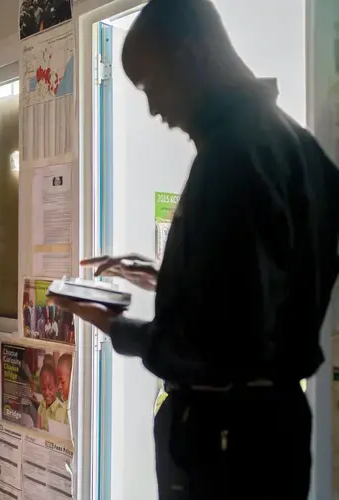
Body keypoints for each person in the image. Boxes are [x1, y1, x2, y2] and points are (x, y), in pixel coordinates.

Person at [54, 0, 339, 498]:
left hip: (226, 441)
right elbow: (264, 291)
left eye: (149, 86)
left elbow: (219, 347)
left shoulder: (231, 159)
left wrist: (115, 326)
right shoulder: (298, 147)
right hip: (274, 430)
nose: (154, 109)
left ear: (191, 55)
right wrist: (170, 278)